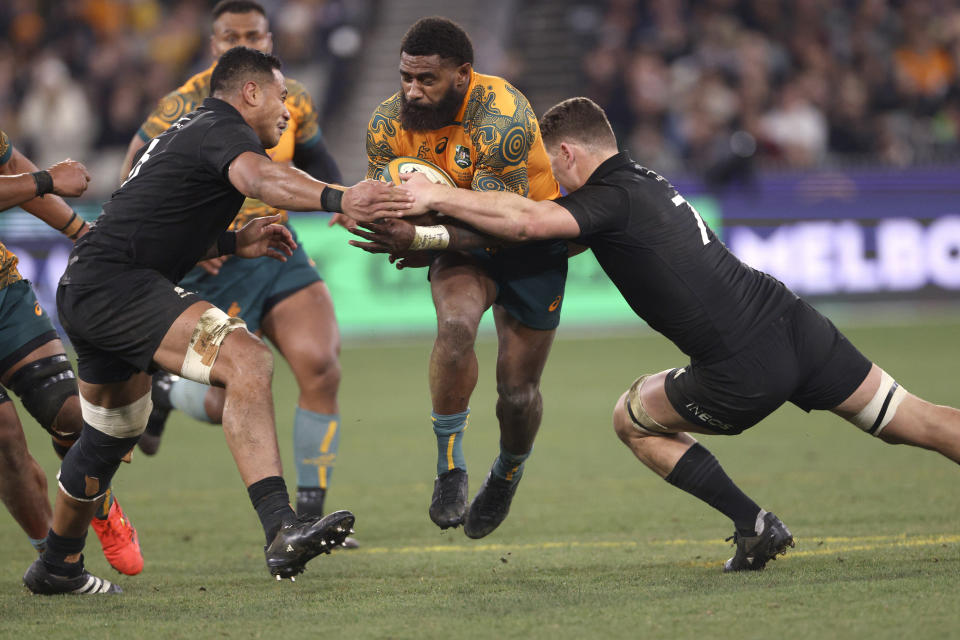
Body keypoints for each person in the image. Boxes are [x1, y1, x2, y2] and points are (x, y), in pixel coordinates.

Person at [374, 96, 960, 571]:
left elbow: (528, 221)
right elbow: (539, 238)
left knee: (630, 418)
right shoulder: (642, 182)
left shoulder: (606, 196)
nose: (548, 181)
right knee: (920, 420)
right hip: (795, 322)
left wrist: (434, 195)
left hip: (742, 364)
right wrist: (433, 240)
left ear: (570, 152)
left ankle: (752, 523)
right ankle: (754, 525)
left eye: (550, 167)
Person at [22, 46, 409, 595]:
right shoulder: (226, 130)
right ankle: (282, 527)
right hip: (119, 285)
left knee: (109, 436)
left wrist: (233, 240)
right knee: (247, 359)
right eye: (281, 97)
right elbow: (261, 181)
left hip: (93, 285)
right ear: (249, 93)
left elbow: (155, 221)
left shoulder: (193, 130)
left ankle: (56, 566)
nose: (287, 111)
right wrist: (341, 196)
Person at [120, 0, 349, 532]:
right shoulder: (180, 107)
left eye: (256, 34)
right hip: (215, 264)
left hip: (277, 244)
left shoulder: (293, 99)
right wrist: (193, 236)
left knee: (322, 364)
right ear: (213, 46)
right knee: (229, 392)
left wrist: (340, 205)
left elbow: (315, 157)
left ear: (271, 40)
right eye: (231, 36)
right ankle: (169, 392)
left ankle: (312, 512)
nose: (245, 42)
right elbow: (135, 168)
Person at [362, 16, 567, 537]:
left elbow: (507, 228)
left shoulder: (502, 117)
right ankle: (449, 467)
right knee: (455, 327)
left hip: (531, 240)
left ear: (462, 75)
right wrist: (388, 224)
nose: (412, 90)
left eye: (426, 79)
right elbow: (383, 203)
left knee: (517, 395)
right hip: (461, 247)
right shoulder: (388, 125)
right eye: (406, 76)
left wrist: (424, 239)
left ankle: (507, 472)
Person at [0, 130, 144, 576]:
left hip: (2, 291)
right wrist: (45, 178)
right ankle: (60, 561)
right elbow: (34, 180)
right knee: (3, 440)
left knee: (69, 413)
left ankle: (97, 499)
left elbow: (12, 172)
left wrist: (83, 233)